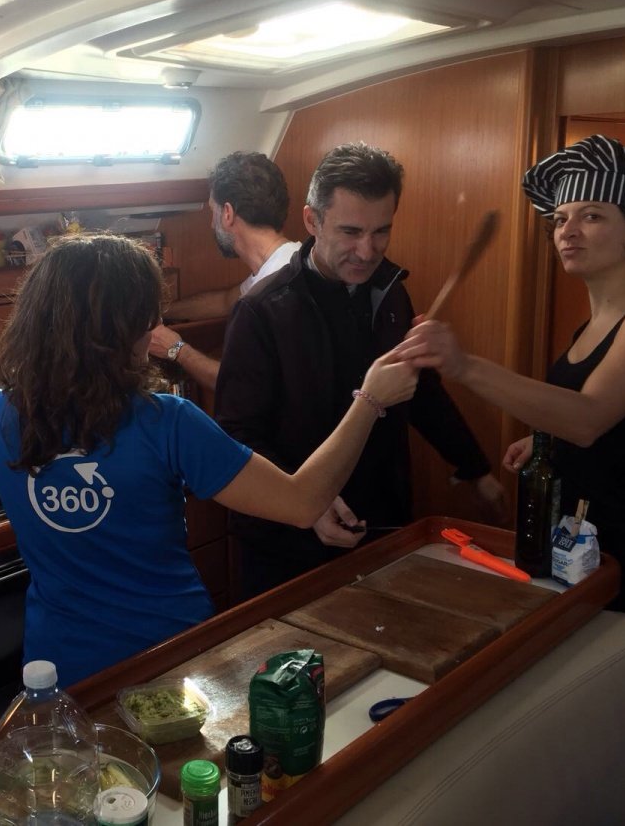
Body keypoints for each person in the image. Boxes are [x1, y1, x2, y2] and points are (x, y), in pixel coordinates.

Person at [0, 233, 416, 686]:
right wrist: (369, 401)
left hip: (58, 667)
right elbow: (302, 503)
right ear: (125, 327)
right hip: (170, 656)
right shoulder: (167, 422)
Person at [398, 134, 625, 633]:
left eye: (592, 215)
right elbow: (618, 423)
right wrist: (546, 438)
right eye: (560, 219)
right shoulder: (593, 325)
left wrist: (464, 365)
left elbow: (587, 418)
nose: (569, 231)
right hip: (589, 558)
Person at [215, 142, 507, 601]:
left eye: (381, 232)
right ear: (312, 221)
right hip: (290, 547)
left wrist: (473, 467)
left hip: (381, 524)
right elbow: (237, 438)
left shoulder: (388, 293)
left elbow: (420, 390)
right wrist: (309, 505)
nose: (367, 251)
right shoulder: (261, 313)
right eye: (350, 231)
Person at [148, 151, 300, 391]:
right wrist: (162, 310)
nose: (211, 223)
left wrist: (176, 349)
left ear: (227, 214)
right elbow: (226, 300)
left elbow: (240, 385)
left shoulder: (280, 289)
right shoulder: (286, 261)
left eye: (213, 211)